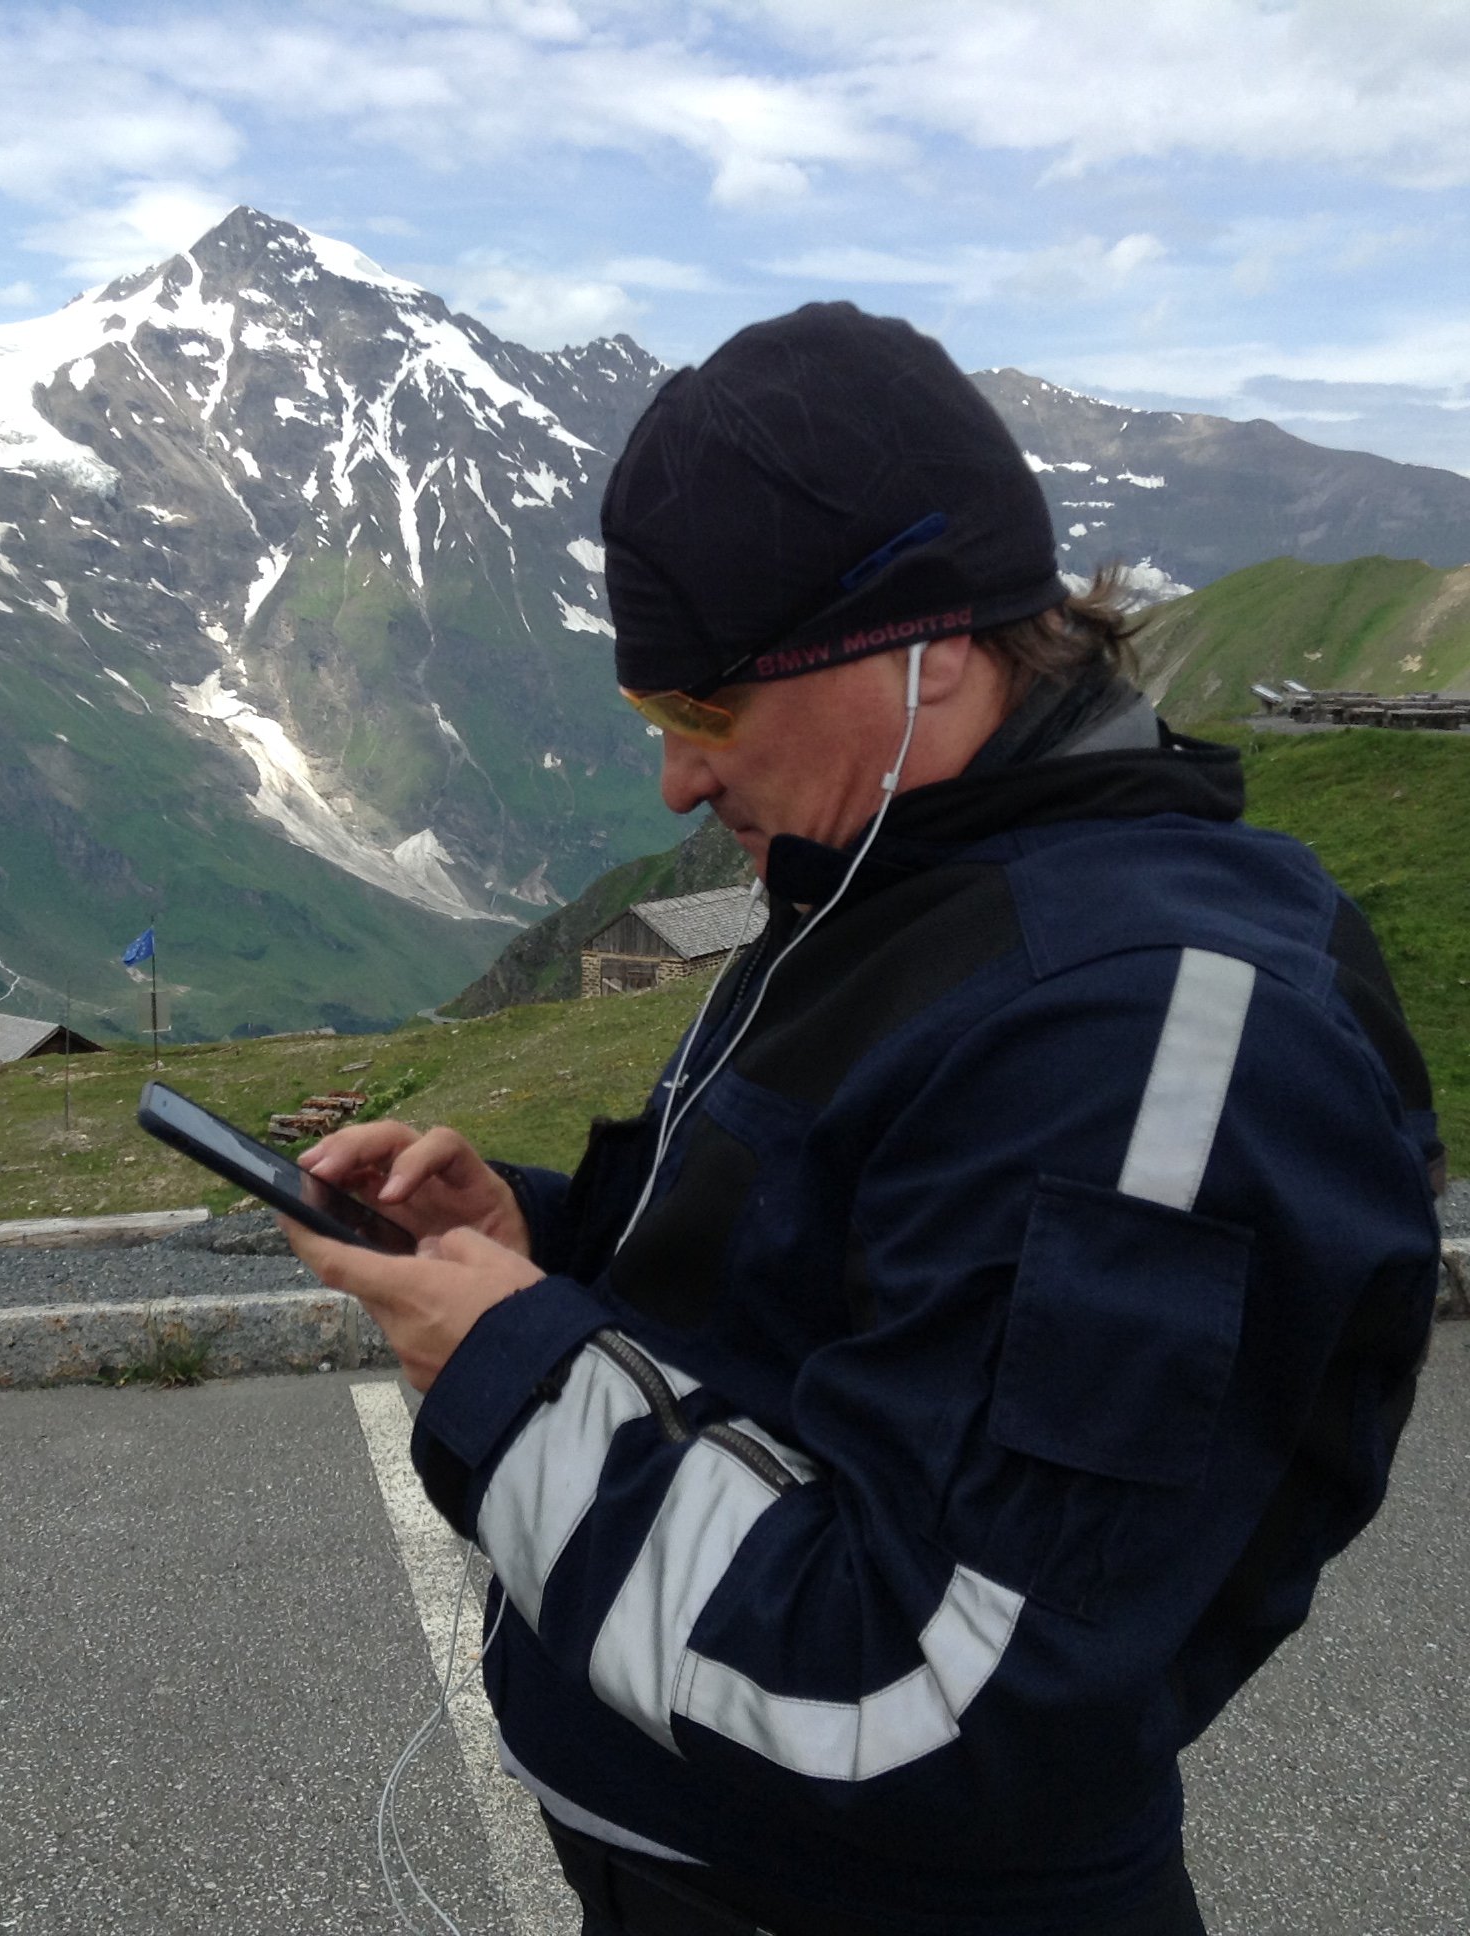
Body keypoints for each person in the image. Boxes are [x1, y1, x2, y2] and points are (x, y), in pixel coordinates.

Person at [280, 303, 1442, 1935]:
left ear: (924, 647)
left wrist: (515, 1377)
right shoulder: (893, 879)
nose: (677, 783)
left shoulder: (1147, 1035)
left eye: (703, 710)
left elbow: (943, 1700)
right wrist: (543, 1239)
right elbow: (817, 1284)